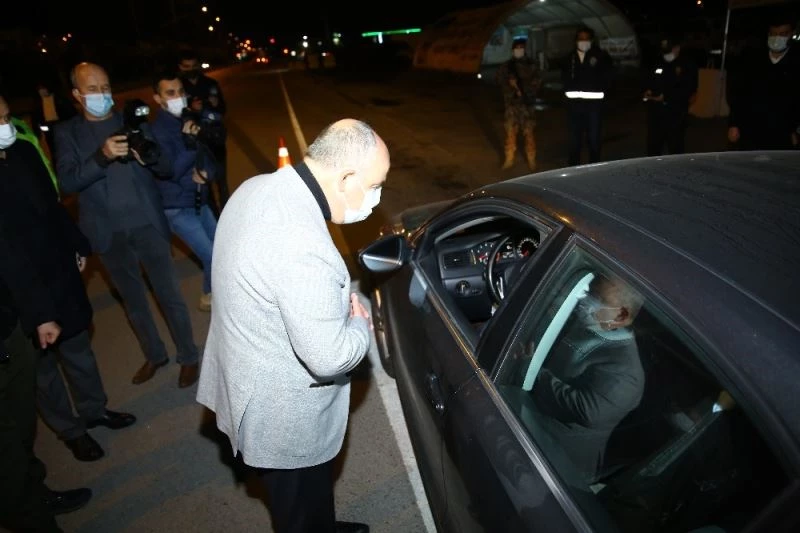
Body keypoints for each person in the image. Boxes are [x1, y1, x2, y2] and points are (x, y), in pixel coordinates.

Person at [197, 119, 389, 533]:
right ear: (346, 178)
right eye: (375, 185)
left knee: (309, 495)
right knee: (298, 506)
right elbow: (329, 357)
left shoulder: (257, 187)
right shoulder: (303, 246)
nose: (377, 198)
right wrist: (359, 325)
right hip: (281, 415)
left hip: (247, 370)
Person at [1, 95, 136, 462]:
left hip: (56, 268)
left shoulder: (23, 153)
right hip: (18, 291)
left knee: (77, 346)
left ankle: (94, 409)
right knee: (43, 369)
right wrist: (38, 311)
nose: (6, 127)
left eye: (7, 117)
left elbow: (52, 205)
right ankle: (71, 431)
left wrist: (77, 242)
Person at [55, 62, 201, 388]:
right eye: (93, 89)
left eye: (106, 87)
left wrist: (148, 157)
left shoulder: (131, 119)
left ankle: (189, 356)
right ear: (77, 94)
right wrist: (101, 156)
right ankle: (155, 354)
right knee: (134, 302)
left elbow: (165, 167)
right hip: (107, 232)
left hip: (147, 224)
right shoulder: (67, 133)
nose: (102, 94)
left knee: (169, 295)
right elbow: (67, 182)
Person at [533, 275, 645, 483]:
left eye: (599, 298)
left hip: (558, 463)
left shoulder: (626, 372)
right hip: (536, 430)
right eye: (591, 292)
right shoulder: (592, 326)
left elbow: (587, 410)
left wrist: (533, 372)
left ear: (621, 315)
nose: (587, 301)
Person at [150, 72, 218, 312]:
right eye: (170, 93)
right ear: (158, 98)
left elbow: (207, 153)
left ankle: (215, 293)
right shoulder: (157, 131)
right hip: (177, 207)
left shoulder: (187, 119)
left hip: (199, 199)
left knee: (222, 249)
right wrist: (189, 143)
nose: (177, 97)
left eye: (180, 92)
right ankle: (209, 296)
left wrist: (208, 172)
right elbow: (169, 171)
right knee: (211, 256)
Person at [727, 13, 800, 150]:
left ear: (792, 34)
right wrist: (734, 123)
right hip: (750, 129)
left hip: (782, 133)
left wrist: (795, 129)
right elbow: (738, 93)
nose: (777, 38)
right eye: (773, 33)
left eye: (783, 34)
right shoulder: (753, 58)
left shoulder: (796, 61)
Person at [178, 49, 229, 212]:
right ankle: (213, 215)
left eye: (193, 65)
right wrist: (191, 108)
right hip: (195, 142)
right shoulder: (179, 88)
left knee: (221, 181)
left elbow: (222, 109)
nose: (190, 69)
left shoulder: (210, 84)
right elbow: (176, 115)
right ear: (180, 67)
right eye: (186, 66)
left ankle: (227, 214)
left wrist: (215, 104)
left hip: (215, 140)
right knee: (204, 182)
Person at [562, 26, 613, 166]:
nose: (583, 41)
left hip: (594, 107)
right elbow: (564, 79)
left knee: (594, 139)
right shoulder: (569, 58)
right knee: (574, 141)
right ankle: (574, 168)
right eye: (580, 38)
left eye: (586, 38)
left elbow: (609, 78)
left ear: (591, 40)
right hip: (574, 107)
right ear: (576, 40)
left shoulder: (601, 56)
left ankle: (594, 167)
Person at [643, 35, 698, 156]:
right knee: (653, 148)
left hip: (675, 115)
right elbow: (650, 80)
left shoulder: (687, 65)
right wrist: (648, 91)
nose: (666, 55)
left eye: (669, 51)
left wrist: (667, 97)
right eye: (664, 52)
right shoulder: (658, 62)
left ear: (677, 48)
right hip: (656, 114)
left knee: (675, 149)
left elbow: (689, 89)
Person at [496, 37, 541, 171]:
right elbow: (499, 81)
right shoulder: (506, 66)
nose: (519, 50)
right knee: (510, 133)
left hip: (527, 105)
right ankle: (509, 159)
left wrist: (525, 90)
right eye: (517, 48)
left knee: (529, 133)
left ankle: (531, 160)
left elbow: (537, 82)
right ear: (512, 50)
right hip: (512, 105)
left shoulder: (532, 65)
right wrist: (511, 87)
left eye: (521, 48)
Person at [32, 78, 77, 156]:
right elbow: (35, 118)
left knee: (66, 146)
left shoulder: (59, 99)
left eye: (43, 89)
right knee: (54, 150)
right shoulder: (38, 103)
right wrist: (37, 133)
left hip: (60, 126)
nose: (41, 91)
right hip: (48, 129)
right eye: (39, 90)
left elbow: (71, 112)